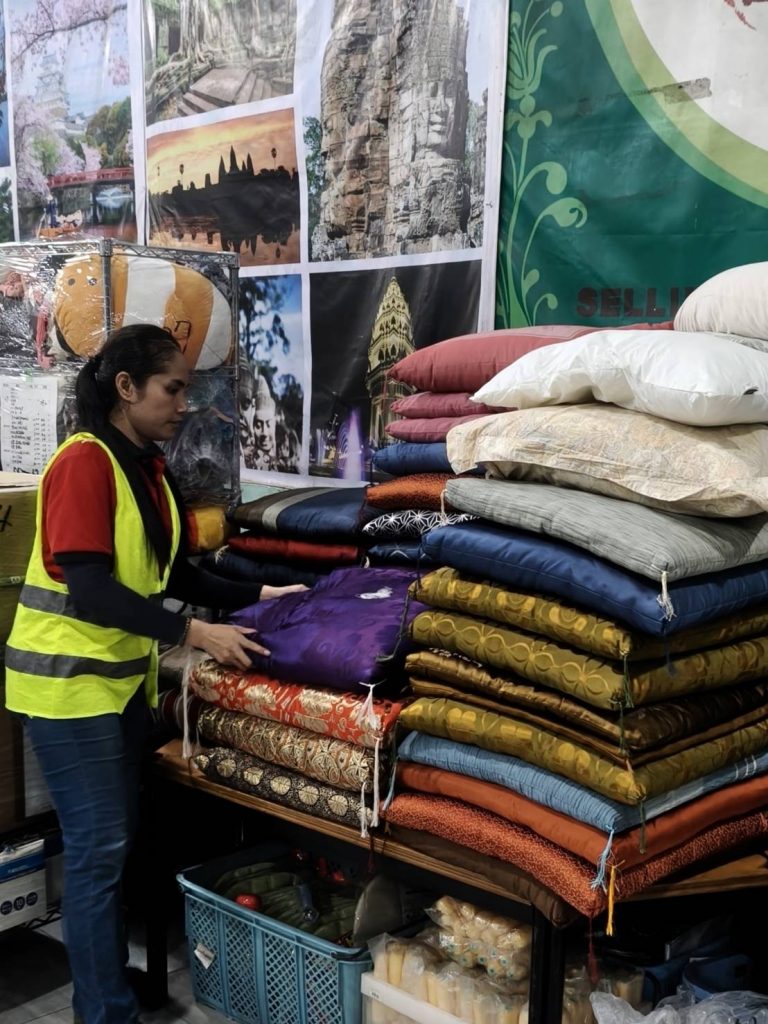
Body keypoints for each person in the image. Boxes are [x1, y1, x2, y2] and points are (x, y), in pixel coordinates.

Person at [4, 324, 305, 1024]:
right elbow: (90, 588)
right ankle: (104, 1011)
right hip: (67, 689)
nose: (183, 403)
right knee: (98, 854)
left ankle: (108, 990)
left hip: (114, 689)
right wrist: (194, 633)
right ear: (126, 388)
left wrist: (264, 595)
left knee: (113, 850)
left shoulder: (145, 468)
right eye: (172, 388)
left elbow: (175, 575)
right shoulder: (85, 462)